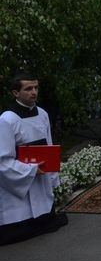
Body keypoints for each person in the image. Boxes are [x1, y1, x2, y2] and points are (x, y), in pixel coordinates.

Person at [0, 73, 68, 245]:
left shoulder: (43, 114)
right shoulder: (7, 120)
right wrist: (30, 170)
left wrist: (53, 178)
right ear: (15, 93)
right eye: (28, 88)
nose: (34, 92)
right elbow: (3, 160)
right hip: (21, 178)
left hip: (42, 173)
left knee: (46, 217)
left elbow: (49, 146)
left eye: (36, 88)